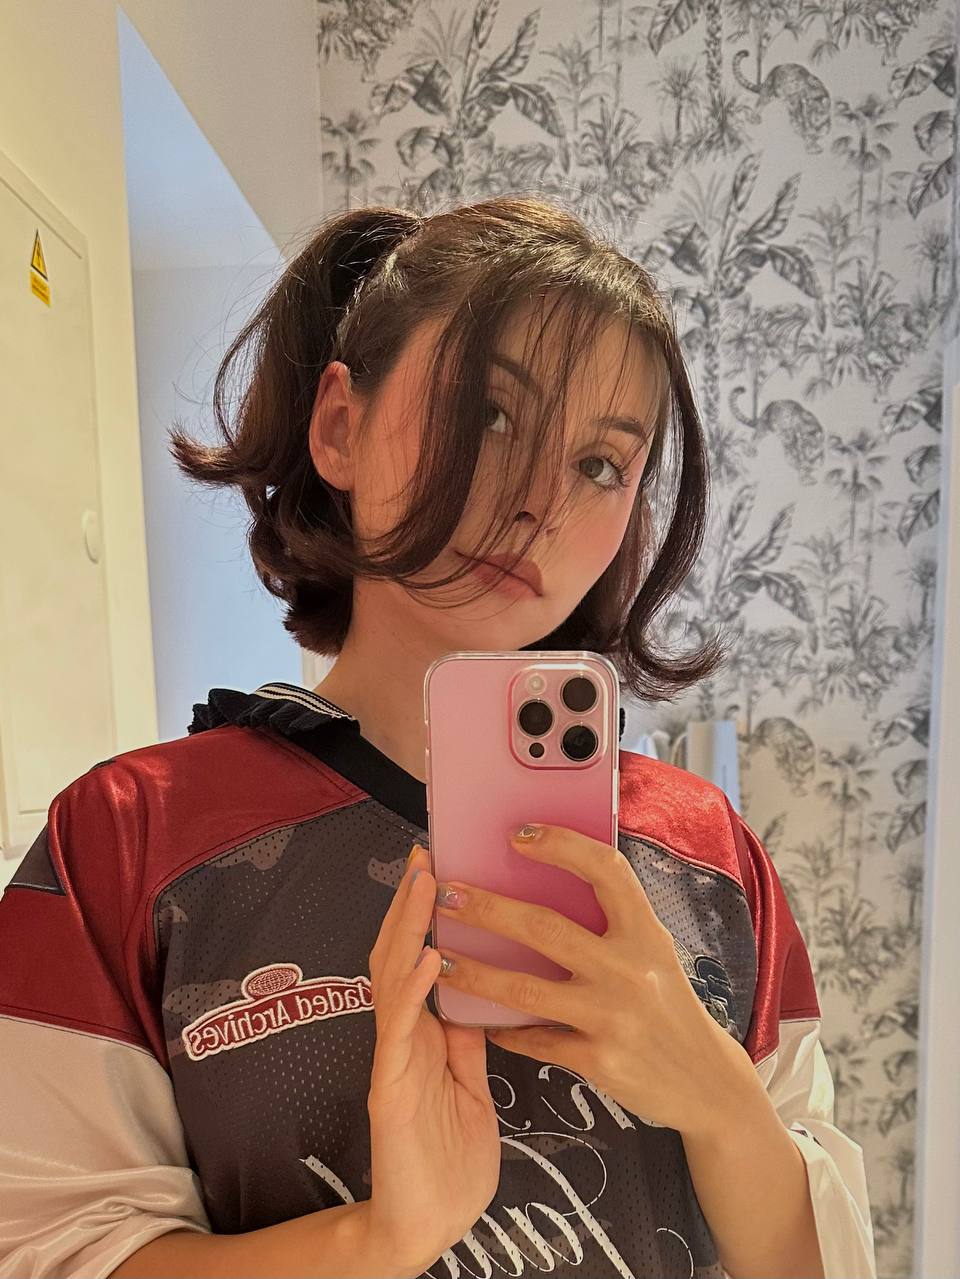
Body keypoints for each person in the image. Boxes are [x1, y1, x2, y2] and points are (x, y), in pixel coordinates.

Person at [0, 196, 877, 1278]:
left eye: (602, 464)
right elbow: (55, 1251)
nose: (540, 502)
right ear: (340, 425)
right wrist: (379, 1238)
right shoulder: (125, 843)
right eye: (491, 415)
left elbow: (822, 1260)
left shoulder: (708, 857)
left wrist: (719, 1100)